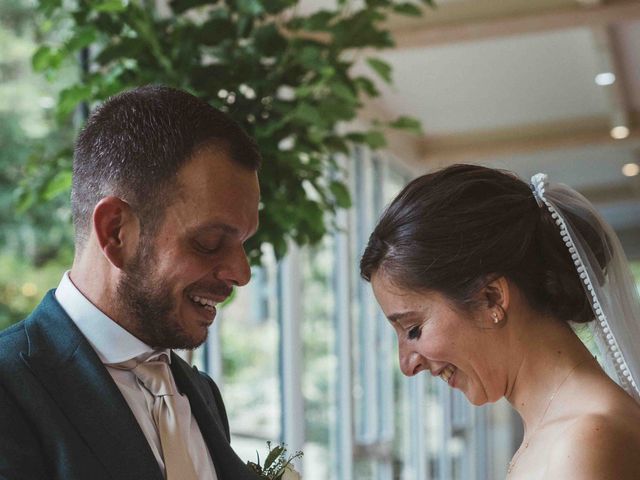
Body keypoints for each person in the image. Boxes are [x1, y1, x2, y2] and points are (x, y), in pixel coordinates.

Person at [0, 86, 261, 479]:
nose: (241, 273)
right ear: (116, 231)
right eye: (209, 242)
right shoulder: (11, 389)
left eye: (243, 243)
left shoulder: (202, 393)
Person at [360, 164, 640, 478]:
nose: (407, 366)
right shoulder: (558, 428)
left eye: (414, 329)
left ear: (490, 298)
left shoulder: (586, 438)